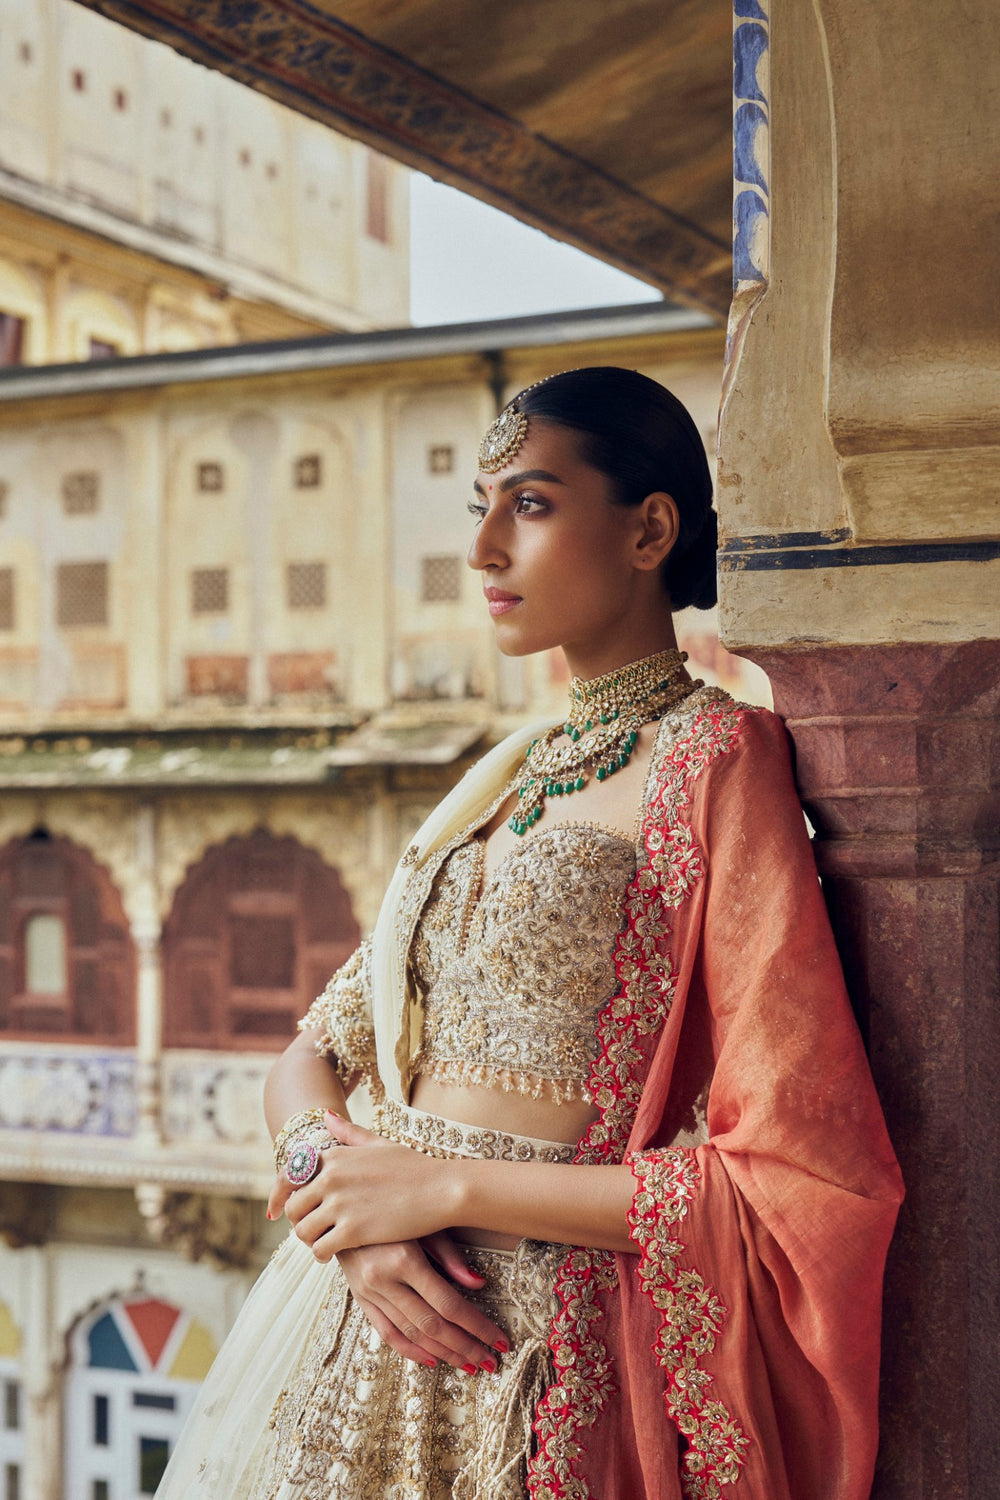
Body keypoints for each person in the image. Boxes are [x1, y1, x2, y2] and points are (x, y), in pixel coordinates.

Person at [158, 367, 902, 1500]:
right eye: (481, 504)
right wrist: (340, 1202)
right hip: (363, 1337)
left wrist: (442, 1190)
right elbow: (315, 1051)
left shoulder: (716, 760)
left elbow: (788, 1171)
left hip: (550, 1369)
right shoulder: (497, 783)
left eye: (533, 504)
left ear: (649, 527)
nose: (484, 550)